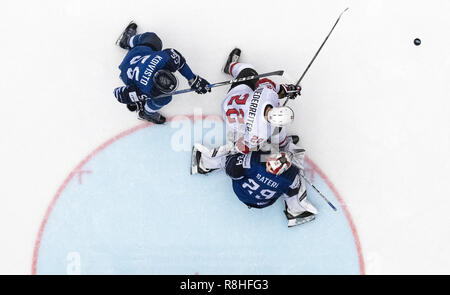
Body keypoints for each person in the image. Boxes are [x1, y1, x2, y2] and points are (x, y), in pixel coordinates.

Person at [193, 138, 318, 227]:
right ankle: (296, 211)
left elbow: (232, 170)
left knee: (232, 154)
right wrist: (295, 171)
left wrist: (239, 151)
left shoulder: (254, 161)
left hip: (241, 192)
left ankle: (204, 163)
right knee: (296, 183)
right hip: (263, 203)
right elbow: (292, 189)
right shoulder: (290, 176)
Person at [113, 22, 211, 124]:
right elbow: (118, 94)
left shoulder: (164, 60)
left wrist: (193, 79)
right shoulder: (146, 89)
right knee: (164, 98)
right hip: (129, 67)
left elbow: (179, 61)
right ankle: (147, 112)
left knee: (154, 40)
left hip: (138, 53)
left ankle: (128, 41)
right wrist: (135, 96)